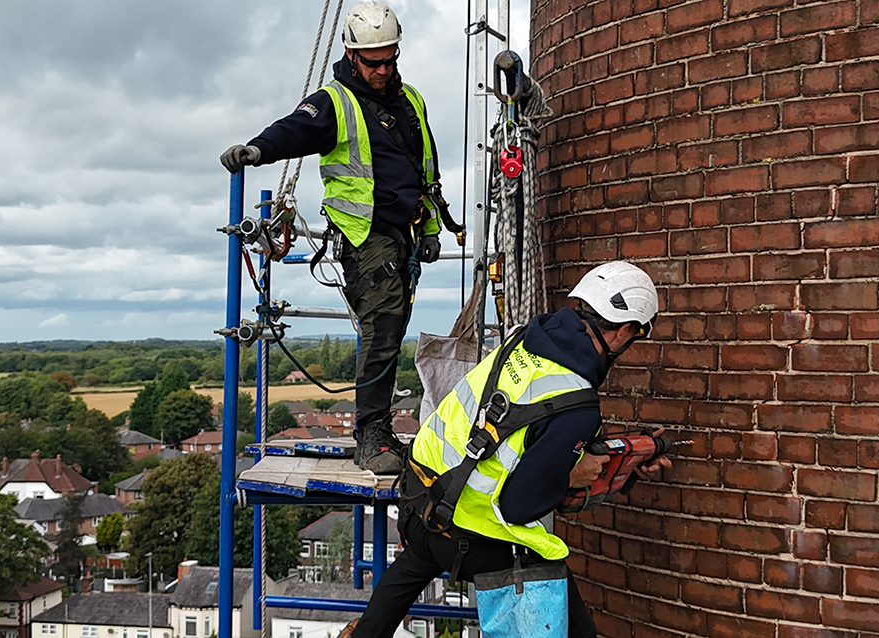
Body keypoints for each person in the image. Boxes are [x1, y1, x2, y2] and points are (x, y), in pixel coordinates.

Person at [343, 261, 674, 638]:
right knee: (567, 607)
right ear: (625, 331)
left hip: (418, 505)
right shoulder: (578, 405)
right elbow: (519, 506)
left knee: (414, 564)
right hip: (470, 536)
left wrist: (622, 468)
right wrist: (571, 476)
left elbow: (524, 431)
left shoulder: (522, 339)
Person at [221, 1, 458, 475]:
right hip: (364, 234)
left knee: (393, 326)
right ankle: (371, 435)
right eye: (374, 62)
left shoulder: (410, 99)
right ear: (353, 57)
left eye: (391, 58)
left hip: (406, 232)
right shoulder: (335, 102)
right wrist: (257, 149)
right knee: (383, 326)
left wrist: (431, 228)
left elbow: (426, 167)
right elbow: (295, 129)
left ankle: (378, 429)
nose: (384, 69)